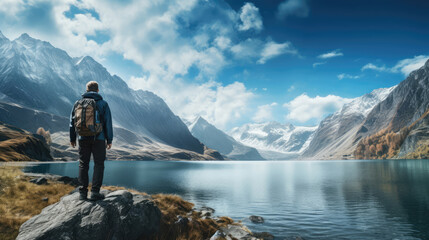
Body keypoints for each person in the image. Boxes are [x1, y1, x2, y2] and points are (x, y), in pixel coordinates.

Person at [70, 81, 113, 201]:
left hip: (82, 138)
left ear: (86, 90)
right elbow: (108, 123)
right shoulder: (103, 104)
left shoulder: (77, 103)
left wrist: (72, 138)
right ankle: (95, 192)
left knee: (83, 164)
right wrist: (109, 139)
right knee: (99, 164)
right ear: (98, 90)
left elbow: (72, 122)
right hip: (98, 139)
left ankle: (82, 193)